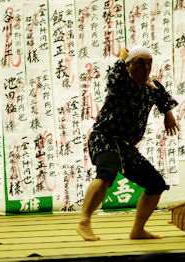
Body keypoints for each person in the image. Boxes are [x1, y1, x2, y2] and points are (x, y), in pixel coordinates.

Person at [76, 46, 179, 241]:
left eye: (149, 62)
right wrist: (120, 60)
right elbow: (113, 81)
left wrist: (168, 115)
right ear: (129, 65)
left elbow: (164, 100)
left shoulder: (152, 87)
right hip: (104, 137)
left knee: (156, 184)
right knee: (107, 173)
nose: (146, 67)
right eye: (140, 62)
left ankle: (137, 230)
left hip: (126, 147)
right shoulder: (122, 81)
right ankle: (84, 222)